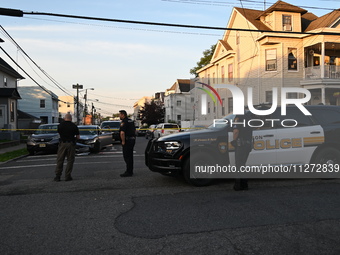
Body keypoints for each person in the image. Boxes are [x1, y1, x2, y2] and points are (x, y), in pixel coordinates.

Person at [54, 113, 79, 182]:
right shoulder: (74, 126)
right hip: (71, 144)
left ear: (64, 118)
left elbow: (59, 133)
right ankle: (67, 176)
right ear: (71, 119)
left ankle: (57, 176)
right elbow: (78, 136)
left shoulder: (60, 125)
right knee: (70, 160)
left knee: (60, 160)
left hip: (62, 143)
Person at [231, 113, 253, 191]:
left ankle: (238, 186)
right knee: (242, 164)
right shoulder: (248, 116)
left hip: (241, 145)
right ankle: (244, 184)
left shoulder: (238, 118)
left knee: (238, 165)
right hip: (248, 144)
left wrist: (233, 140)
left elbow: (236, 131)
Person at [119, 110, 136, 177]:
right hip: (132, 140)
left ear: (123, 115)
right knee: (130, 156)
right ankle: (130, 170)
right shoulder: (131, 121)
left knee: (127, 156)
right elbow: (134, 130)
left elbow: (122, 133)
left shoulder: (124, 122)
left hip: (127, 140)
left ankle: (128, 172)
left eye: (120, 115)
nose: (119, 116)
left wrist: (123, 141)